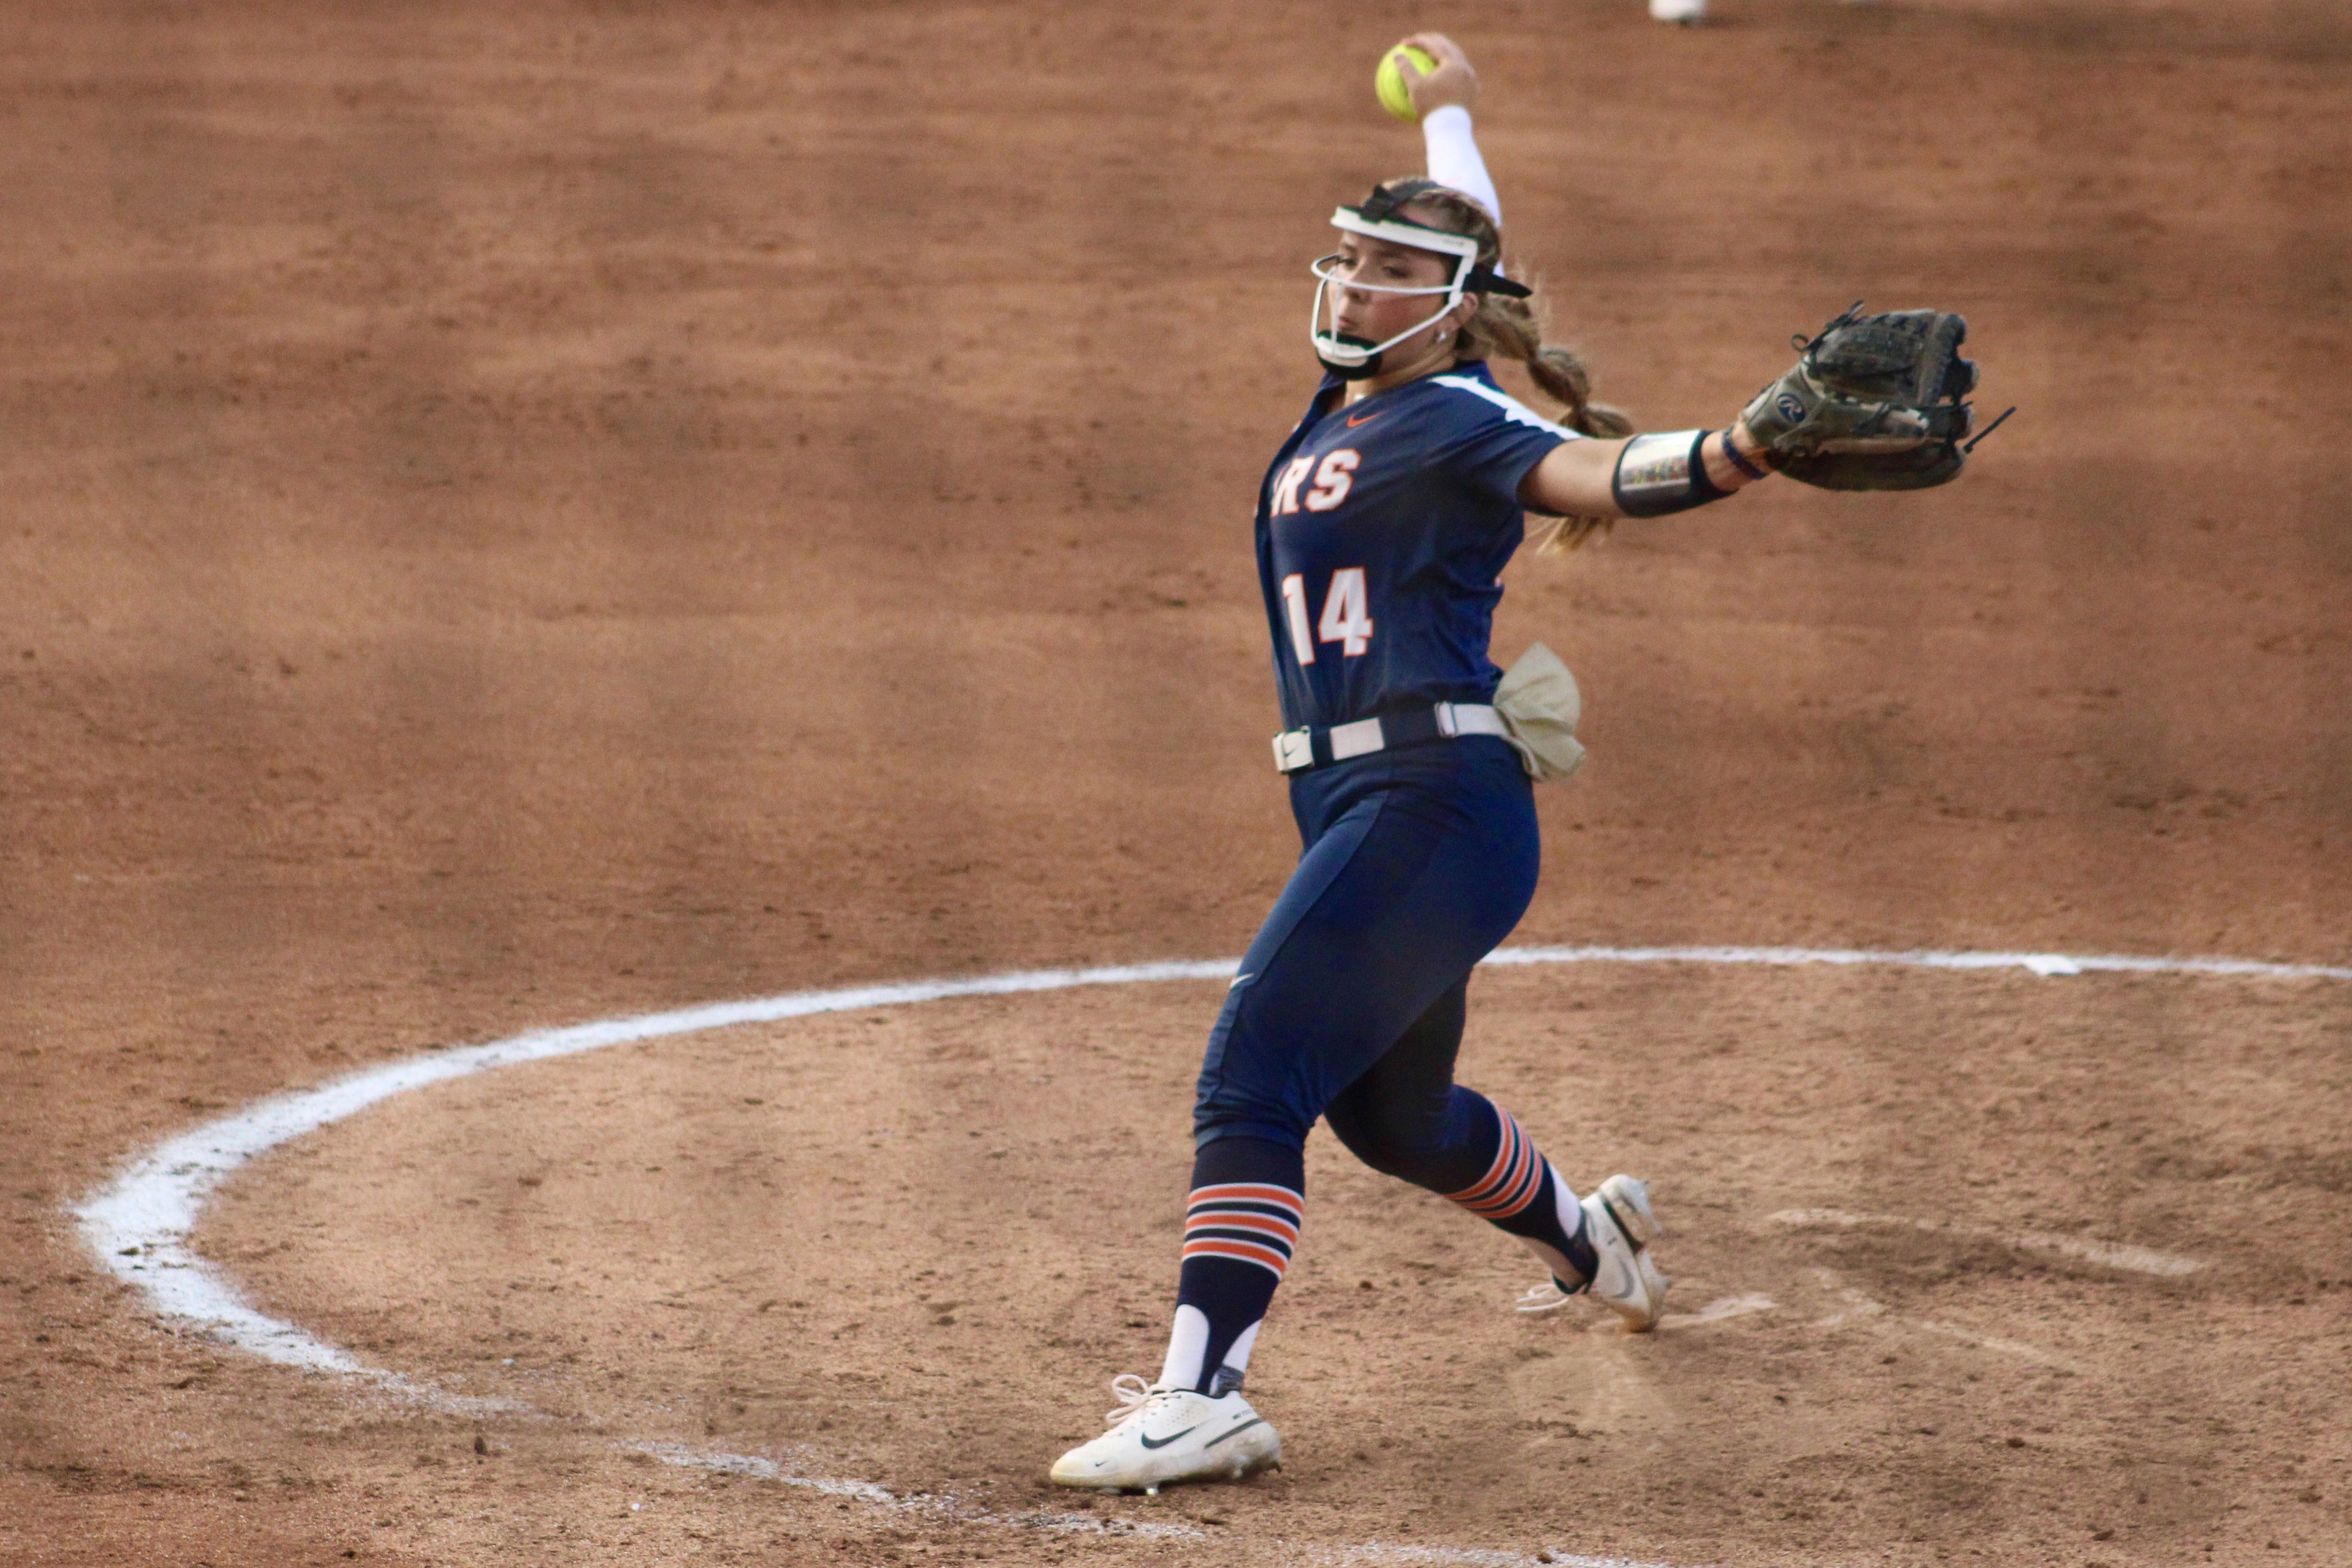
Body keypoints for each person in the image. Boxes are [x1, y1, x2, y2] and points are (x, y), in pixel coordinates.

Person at [1047, 34, 1791, 1494]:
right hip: (1362, 799)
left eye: (1384, 272)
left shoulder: (1461, 415)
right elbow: (1473, 230)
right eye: (1343, 259)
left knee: (1253, 1067)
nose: (1349, 284)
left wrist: (1745, 446)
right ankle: (1596, 1238)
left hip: (1432, 802)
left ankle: (1207, 1393)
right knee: (1396, 1117)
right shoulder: (1369, 397)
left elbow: (1601, 476)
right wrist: (1449, 108)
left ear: (1444, 314)